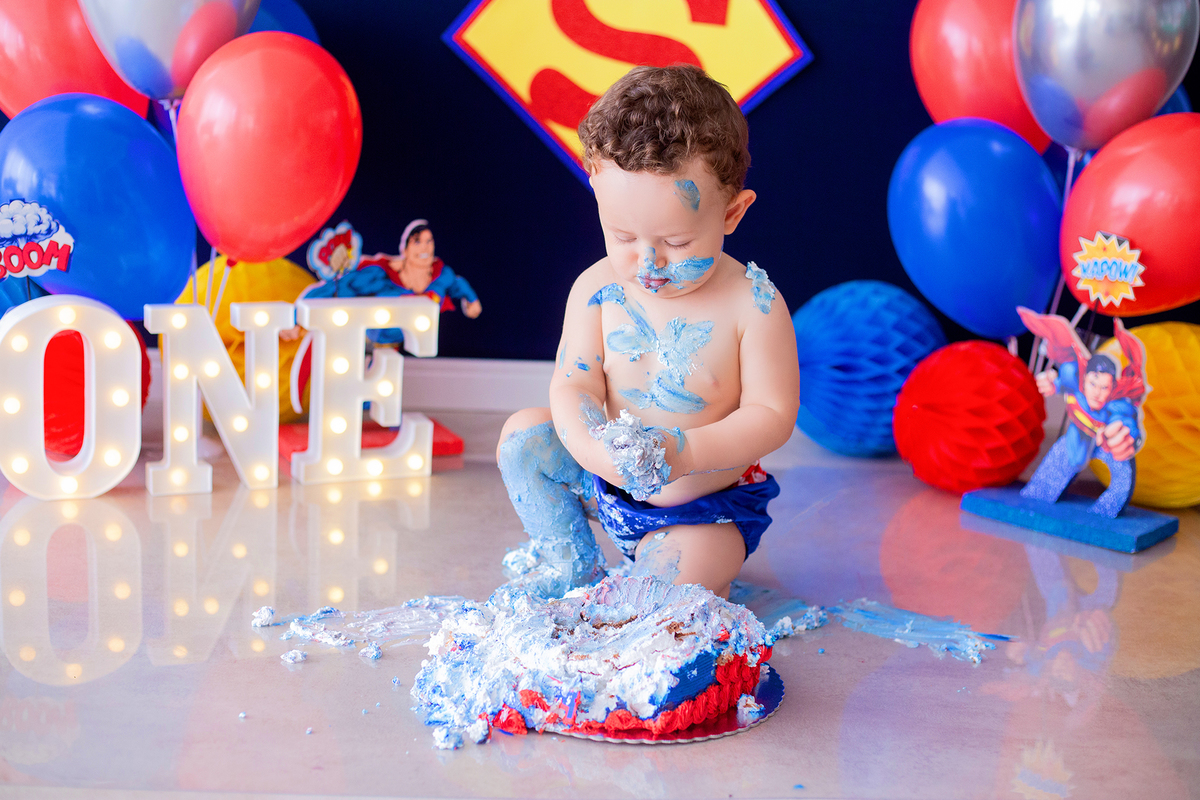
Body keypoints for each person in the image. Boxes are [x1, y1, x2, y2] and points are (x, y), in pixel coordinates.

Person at [495, 65, 800, 598]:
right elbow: (574, 387)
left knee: (671, 580)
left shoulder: (754, 304)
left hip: (704, 512)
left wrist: (683, 452)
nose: (648, 261)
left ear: (732, 212)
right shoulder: (596, 289)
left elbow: (772, 417)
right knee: (523, 436)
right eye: (622, 236)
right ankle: (571, 562)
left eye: (677, 242)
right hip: (606, 483)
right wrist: (597, 454)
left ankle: (665, 575)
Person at [1017, 306, 1148, 518]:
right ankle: (1041, 491)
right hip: (1078, 432)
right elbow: (1059, 382)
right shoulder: (1072, 377)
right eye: (1092, 384)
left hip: (1105, 442)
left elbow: (1128, 423)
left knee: (1121, 471)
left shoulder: (1117, 404)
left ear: (1113, 387)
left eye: (1104, 387)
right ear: (1083, 380)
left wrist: (1127, 436)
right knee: (1071, 457)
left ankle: (1106, 511)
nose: (1096, 393)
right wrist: (1051, 383)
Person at [295, 219, 481, 346]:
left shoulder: (441, 276)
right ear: (405, 249)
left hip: (403, 350)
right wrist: (297, 317)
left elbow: (458, 285)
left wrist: (471, 300)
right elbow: (338, 286)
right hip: (366, 343)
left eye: (429, 241)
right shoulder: (379, 276)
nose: (425, 247)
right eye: (417, 242)